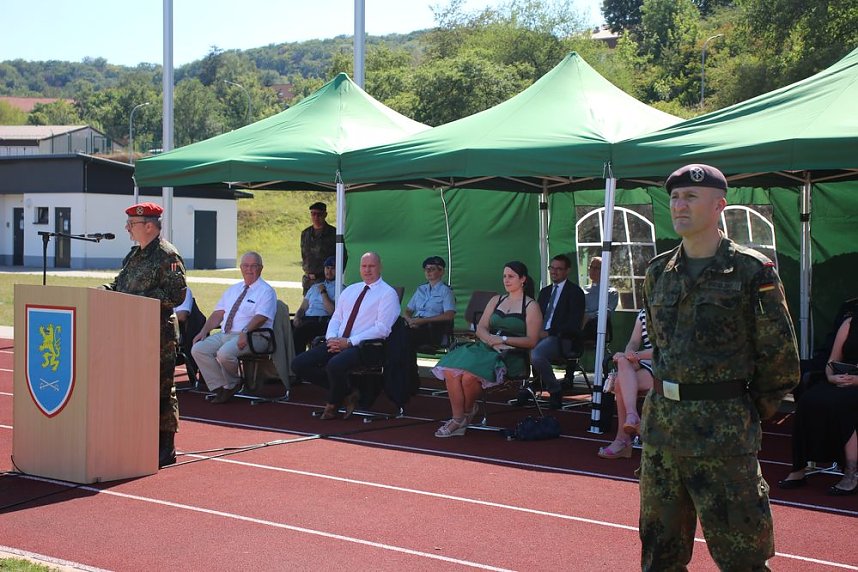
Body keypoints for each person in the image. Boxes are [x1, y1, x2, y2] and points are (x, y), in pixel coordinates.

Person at [640, 163, 799, 570]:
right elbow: (659, 345)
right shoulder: (659, 272)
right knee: (660, 555)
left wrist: (739, 410)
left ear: (719, 207)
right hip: (663, 434)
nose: (679, 205)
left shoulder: (752, 271)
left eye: (691, 197)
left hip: (723, 436)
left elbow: (780, 359)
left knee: (742, 558)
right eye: (675, 197)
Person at [104, 201, 187, 468]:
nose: (127, 228)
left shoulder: (168, 256)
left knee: (161, 390)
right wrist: (100, 291)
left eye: (132, 224)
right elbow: (119, 284)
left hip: (157, 335)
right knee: (135, 389)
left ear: (149, 226)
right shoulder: (133, 255)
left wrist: (136, 299)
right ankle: (138, 438)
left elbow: (176, 295)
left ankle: (166, 447)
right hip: (131, 333)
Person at [431, 261, 542, 438]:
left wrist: (503, 340)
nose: (506, 280)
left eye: (511, 276)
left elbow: (532, 340)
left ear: (523, 279)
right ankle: (458, 418)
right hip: (487, 346)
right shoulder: (496, 299)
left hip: (511, 354)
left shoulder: (531, 306)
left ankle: (464, 415)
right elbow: (481, 327)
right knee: (451, 371)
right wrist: (491, 340)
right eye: (504, 276)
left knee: (468, 377)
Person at [291, 252, 400, 420]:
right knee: (299, 364)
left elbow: (382, 329)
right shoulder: (350, 290)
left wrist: (349, 342)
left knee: (334, 365)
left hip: (367, 346)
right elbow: (336, 318)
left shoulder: (387, 294)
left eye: (371, 266)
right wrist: (332, 339)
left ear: (380, 267)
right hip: (338, 341)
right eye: (364, 266)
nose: (367, 270)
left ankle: (333, 403)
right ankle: (347, 391)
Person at [778, 313, 858, 495]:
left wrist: (856, 381)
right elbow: (832, 361)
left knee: (841, 405)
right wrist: (832, 377)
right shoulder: (850, 322)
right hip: (841, 380)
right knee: (808, 400)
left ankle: (851, 474)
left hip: (855, 386)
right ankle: (799, 468)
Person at [191, 252, 278, 404]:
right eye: (246, 265)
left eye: (254, 266)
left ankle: (232, 384)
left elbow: (261, 317)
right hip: (227, 333)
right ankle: (220, 386)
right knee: (198, 349)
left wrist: (245, 332)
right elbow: (218, 313)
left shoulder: (266, 291)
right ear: (241, 268)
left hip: (255, 336)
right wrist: (204, 331)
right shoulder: (233, 289)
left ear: (261, 268)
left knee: (224, 353)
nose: (249, 269)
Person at [529, 254, 585, 409]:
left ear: (568, 271)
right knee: (516, 345)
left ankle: (555, 389)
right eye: (551, 268)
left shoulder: (575, 292)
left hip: (563, 338)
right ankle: (528, 386)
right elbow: (537, 315)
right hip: (540, 335)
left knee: (536, 354)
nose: (554, 272)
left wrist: (549, 332)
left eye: (559, 269)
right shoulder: (545, 292)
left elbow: (573, 323)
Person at [597, 308, 653, 459]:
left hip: (667, 366)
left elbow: (668, 350)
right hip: (645, 363)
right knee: (622, 364)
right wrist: (629, 355)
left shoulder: (675, 310)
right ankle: (632, 415)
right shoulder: (643, 313)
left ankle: (623, 439)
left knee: (620, 382)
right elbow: (633, 342)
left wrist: (636, 356)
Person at [404, 255, 456, 351]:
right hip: (415, 325)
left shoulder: (446, 291)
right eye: (426, 269)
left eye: (432, 269)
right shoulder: (421, 289)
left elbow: (449, 315)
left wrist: (424, 321)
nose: (428, 272)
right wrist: (410, 320)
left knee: (402, 338)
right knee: (395, 331)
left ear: (441, 271)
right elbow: (408, 310)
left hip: (432, 329)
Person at [292, 255, 338, 355]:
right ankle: (284, 363)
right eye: (327, 268)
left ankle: (298, 363)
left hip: (322, 321)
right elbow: (303, 307)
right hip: (306, 319)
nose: (329, 271)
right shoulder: (314, 287)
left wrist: (323, 292)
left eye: (333, 269)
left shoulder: (339, 288)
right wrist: (297, 317)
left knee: (301, 331)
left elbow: (332, 311)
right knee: (286, 327)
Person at [300, 201, 336, 294]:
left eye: (319, 214)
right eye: (313, 214)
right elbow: (304, 255)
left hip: (325, 280)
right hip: (308, 280)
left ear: (325, 215)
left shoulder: (333, 234)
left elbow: (341, 257)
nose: (316, 217)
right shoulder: (305, 233)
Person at [582, 256, 619, 337]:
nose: (593, 270)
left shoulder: (611, 292)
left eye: (596, 268)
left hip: (596, 326)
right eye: (591, 267)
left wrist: (589, 317)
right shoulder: (583, 289)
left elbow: (607, 312)